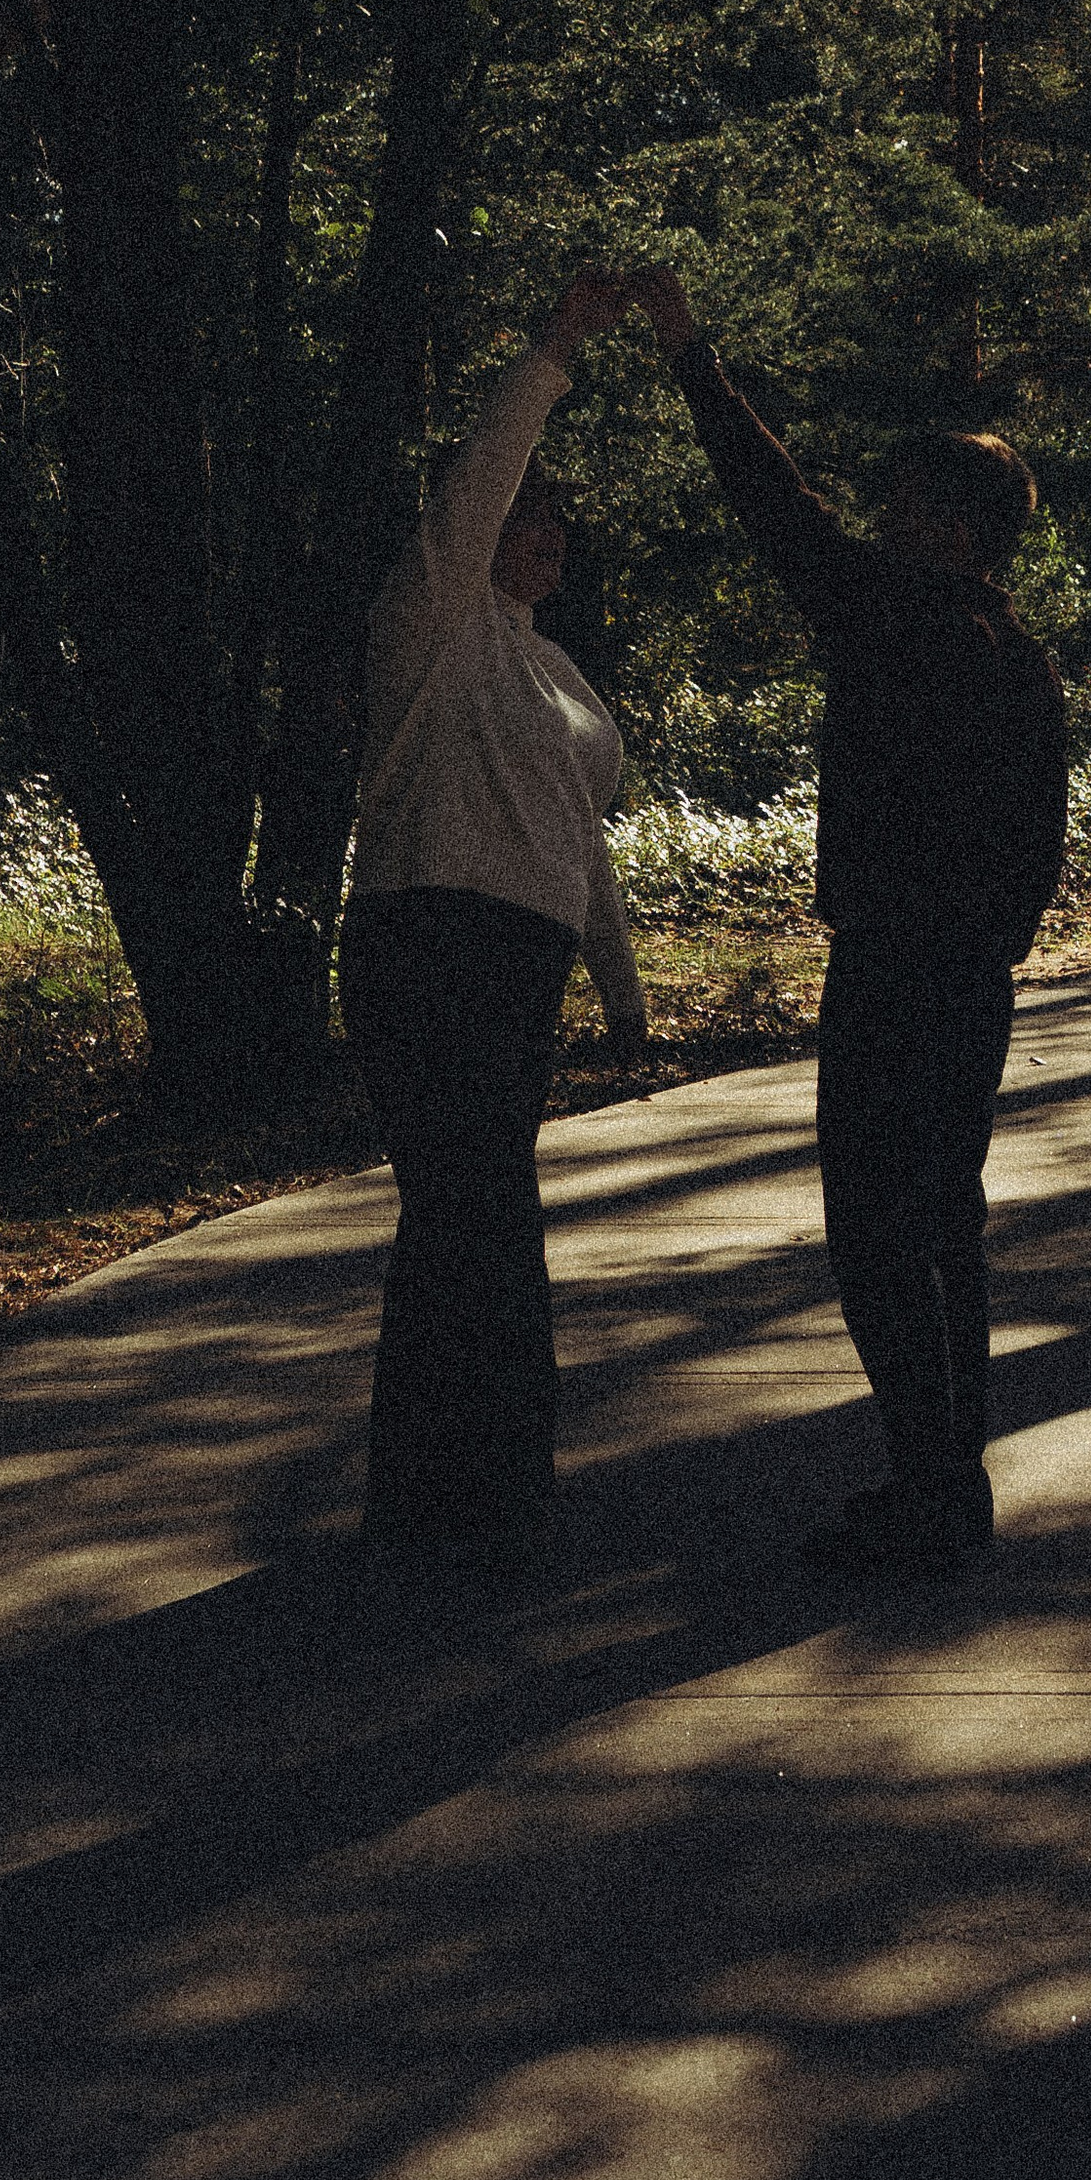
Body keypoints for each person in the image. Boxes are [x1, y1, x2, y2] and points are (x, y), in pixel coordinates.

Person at [625, 266, 1068, 1578]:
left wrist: (692, 355)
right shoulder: (1018, 655)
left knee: (877, 1232)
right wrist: (989, 946)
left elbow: (772, 501)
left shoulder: (890, 618)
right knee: (945, 1223)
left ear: (952, 524)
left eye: (906, 501)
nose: (880, 515)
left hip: (895, 973)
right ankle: (950, 1477)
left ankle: (929, 1491)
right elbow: (1035, 854)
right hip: (971, 981)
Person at [341, 270, 648, 1569]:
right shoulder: (431, 625)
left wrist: (623, 989)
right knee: (479, 1218)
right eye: (530, 518)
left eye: (561, 531)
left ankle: (452, 1491)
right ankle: (477, 1495)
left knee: (471, 1215)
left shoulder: (557, 672)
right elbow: (475, 487)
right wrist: (555, 345)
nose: (546, 540)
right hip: (427, 943)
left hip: (520, 965)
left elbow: (581, 835)